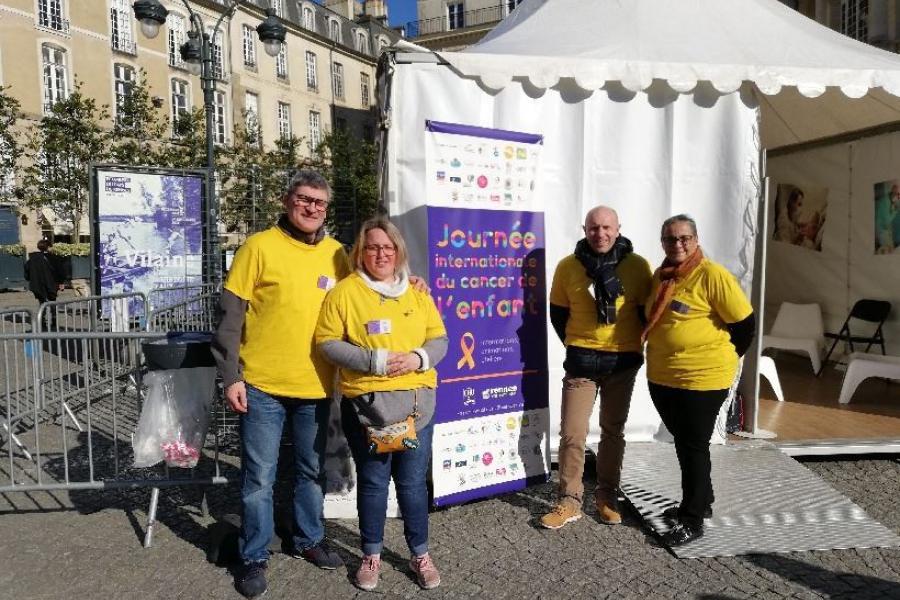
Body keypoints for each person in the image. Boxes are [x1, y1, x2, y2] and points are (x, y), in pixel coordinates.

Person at [212, 169, 348, 599]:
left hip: (317, 386)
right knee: (258, 477)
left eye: (320, 202)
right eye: (304, 199)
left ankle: (308, 539)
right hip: (262, 385)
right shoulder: (258, 247)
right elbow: (230, 318)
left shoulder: (338, 254)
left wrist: (410, 283)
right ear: (287, 200)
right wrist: (230, 376)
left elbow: (369, 294)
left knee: (310, 472)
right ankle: (254, 556)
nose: (312, 208)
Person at [315, 217, 448, 592]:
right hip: (368, 408)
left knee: (411, 486)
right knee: (373, 484)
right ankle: (371, 553)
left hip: (416, 407)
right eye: (372, 247)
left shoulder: (417, 292)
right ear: (360, 251)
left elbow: (440, 338)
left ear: (398, 251)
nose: (380, 254)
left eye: (387, 247)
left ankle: (419, 552)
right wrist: (372, 360)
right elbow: (327, 342)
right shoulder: (344, 292)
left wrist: (419, 358)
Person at [642, 214, 755, 547]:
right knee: (685, 441)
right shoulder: (660, 275)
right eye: (670, 239)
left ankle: (691, 519)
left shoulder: (712, 275)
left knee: (693, 444)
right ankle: (701, 500)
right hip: (664, 376)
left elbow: (744, 325)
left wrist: (721, 358)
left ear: (695, 239)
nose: (677, 244)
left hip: (702, 379)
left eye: (684, 238)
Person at [540, 206, 652, 530]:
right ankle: (569, 500)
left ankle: (606, 496)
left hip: (621, 363)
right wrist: (580, 344)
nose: (599, 234)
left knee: (613, 432)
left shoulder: (637, 267)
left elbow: (646, 314)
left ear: (618, 229)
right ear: (584, 229)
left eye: (606, 228)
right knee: (572, 434)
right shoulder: (568, 267)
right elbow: (558, 315)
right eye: (593, 228)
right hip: (582, 364)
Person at [24, 239, 65, 329]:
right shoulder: (53, 258)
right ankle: (53, 321)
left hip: (37, 284)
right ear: (48, 247)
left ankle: (42, 321)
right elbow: (60, 271)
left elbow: (27, 271)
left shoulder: (32, 258)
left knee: (42, 302)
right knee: (52, 301)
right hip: (52, 283)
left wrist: (30, 279)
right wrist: (61, 282)